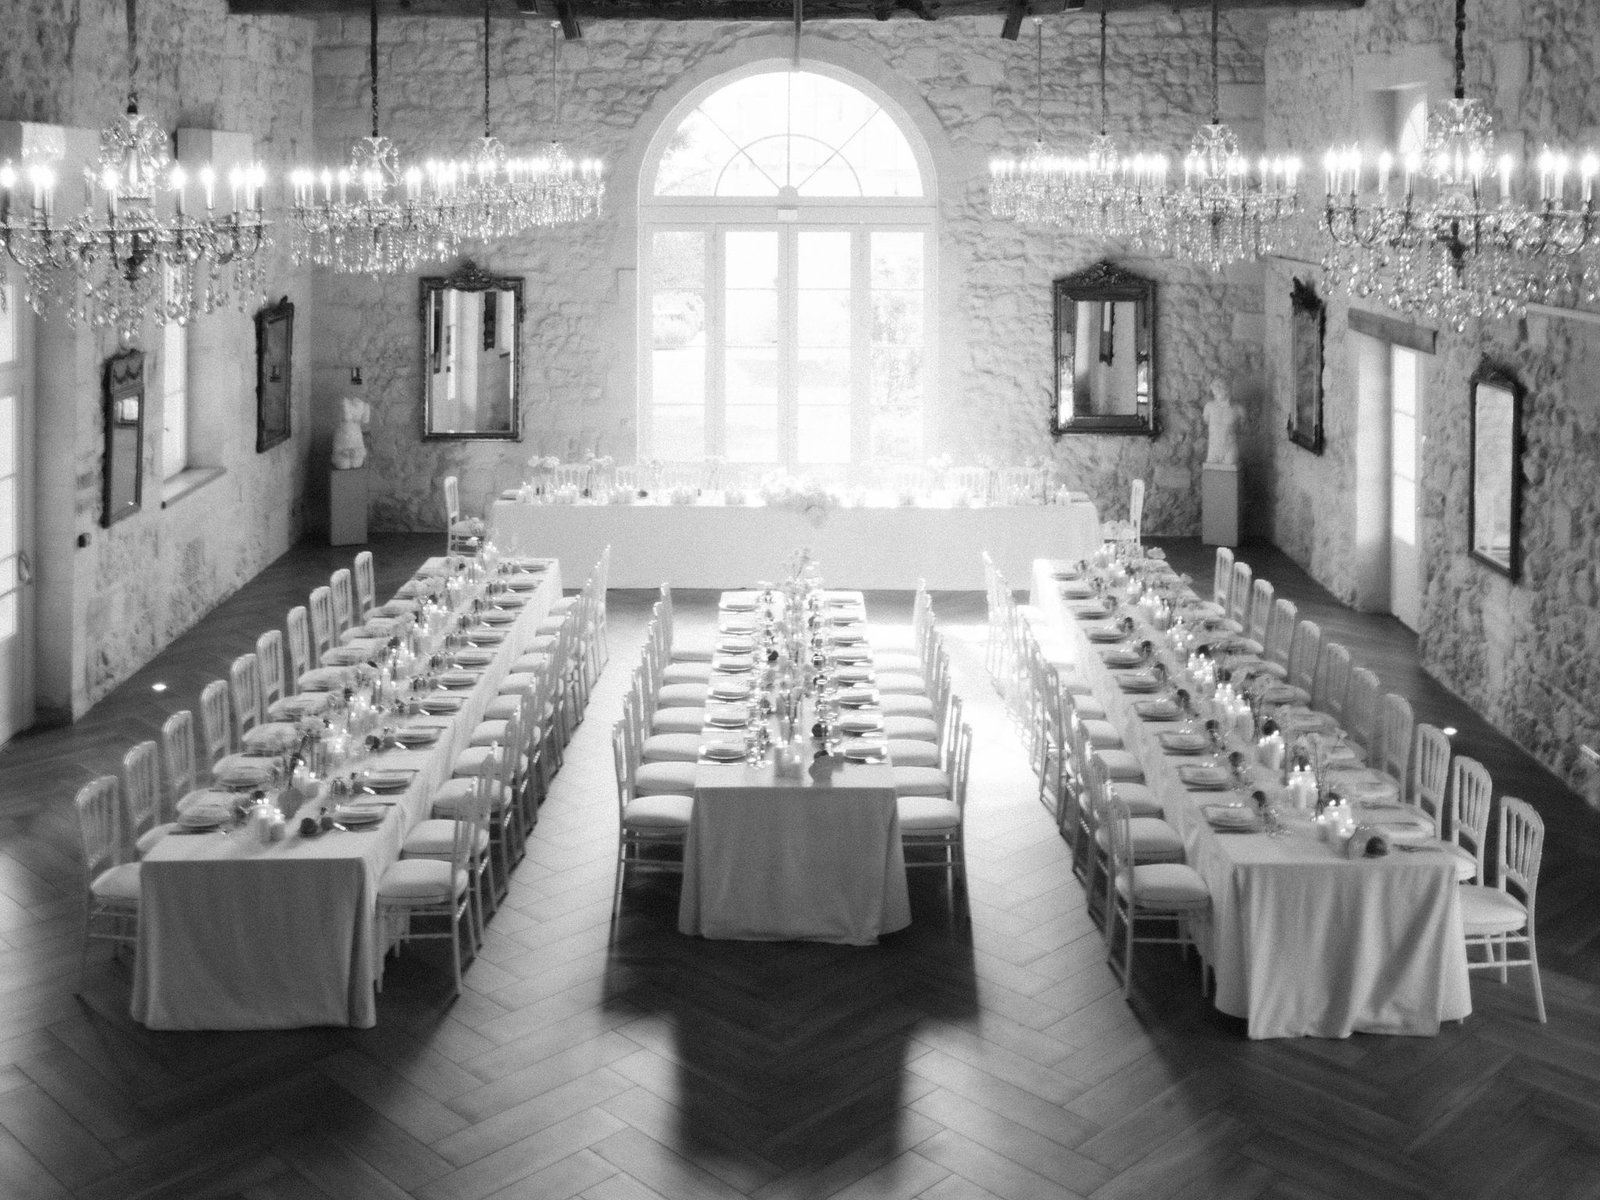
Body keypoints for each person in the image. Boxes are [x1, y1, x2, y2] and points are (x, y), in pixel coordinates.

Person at [1203, 378, 1240, 467]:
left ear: (1226, 391)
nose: (1215, 395)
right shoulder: (1209, 407)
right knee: (1211, 466)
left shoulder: (1238, 409)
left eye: (1218, 392)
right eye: (1214, 393)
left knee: (1230, 465)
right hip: (1213, 448)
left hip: (1230, 447)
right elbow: (1206, 421)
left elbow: (1243, 427)